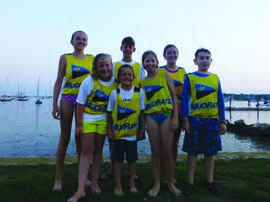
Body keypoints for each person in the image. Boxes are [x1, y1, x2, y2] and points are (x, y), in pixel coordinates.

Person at [67, 53, 118, 202]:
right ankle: (80, 189)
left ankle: (94, 183)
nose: (104, 68)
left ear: (111, 66)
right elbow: (80, 104)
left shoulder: (115, 82)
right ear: (96, 67)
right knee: (86, 150)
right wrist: (79, 125)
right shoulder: (89, 81)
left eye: (107, 65)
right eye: (101, 65)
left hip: (103, 119)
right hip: (88, 117)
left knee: (98, 150)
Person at [181, 48, 227, 197]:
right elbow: (184, 100)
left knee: (210, 153)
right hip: (194, 120)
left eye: (207, 58)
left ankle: (210, 181)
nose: (205, 60)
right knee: (192, 153)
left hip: (212, 121)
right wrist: (185, 119)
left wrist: (222, 120)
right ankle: (189, 182)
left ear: (211, 61)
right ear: (195, 61)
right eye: (201, 58)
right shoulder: (190, 77)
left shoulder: (215, 78)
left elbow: (220, 100)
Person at [52, 30, 94, 191]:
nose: (81, 41)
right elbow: (58, 81)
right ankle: (58, 179)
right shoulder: (65, 58)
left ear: (87, 42)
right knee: (64, 138)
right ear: (72, 41)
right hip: (68, 99)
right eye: (78, 39)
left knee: (81, 138)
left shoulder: (91, 59)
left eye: (84, 39)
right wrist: (54, 103)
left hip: (85, 102)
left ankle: (84, 177)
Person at [100, 36, 145, 180]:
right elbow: (110, 82)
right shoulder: (114, 65)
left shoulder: (138, 66)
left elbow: (141, 85)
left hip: (132, 106)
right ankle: (114, 169)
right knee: (113, 140)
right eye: (125, 46)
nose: (127, 49)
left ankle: (130, 171)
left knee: (132, 141)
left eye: (130, 46)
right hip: (117, 104)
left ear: (134, 49)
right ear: (121, 48)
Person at [140, 50, 182, 198]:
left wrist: (175, 117)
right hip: (151, 116)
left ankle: (170, 182)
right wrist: (142, 125)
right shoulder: (142, 82)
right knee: (155, 152)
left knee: (168, 150)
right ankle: (157, 183)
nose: (150, 63)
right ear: (143, 64)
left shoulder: (164, 74)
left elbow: (174, 96)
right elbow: (142, 106)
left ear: (157, 62)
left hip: (166, 115)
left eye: (153, 60)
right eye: (147, 61)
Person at [107, 64, 146, 196]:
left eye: (129, 74)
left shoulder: (139, 92)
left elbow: (142, 112)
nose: (127, 77)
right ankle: (117, 185)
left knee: (132, 160)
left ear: (134, 77)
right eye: (123, 74)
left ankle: (131, 184)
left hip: (132, 135)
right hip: (118, 135)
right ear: (118, 77)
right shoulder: (114, 93)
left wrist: (142, 128)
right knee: (117, 160)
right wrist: (109, 130)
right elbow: (109, 113)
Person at [160, 44, 186, 182]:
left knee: (174, 144)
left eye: (174, 52)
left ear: (177, 54)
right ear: (164, 55)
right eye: (169, 52)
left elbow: (187, 94)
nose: (172, 55)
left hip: (180, 112)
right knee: (163, 145)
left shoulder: (182, 72)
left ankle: (171, 172)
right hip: (164, 111)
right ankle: (162, 172)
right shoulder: (160, 71)